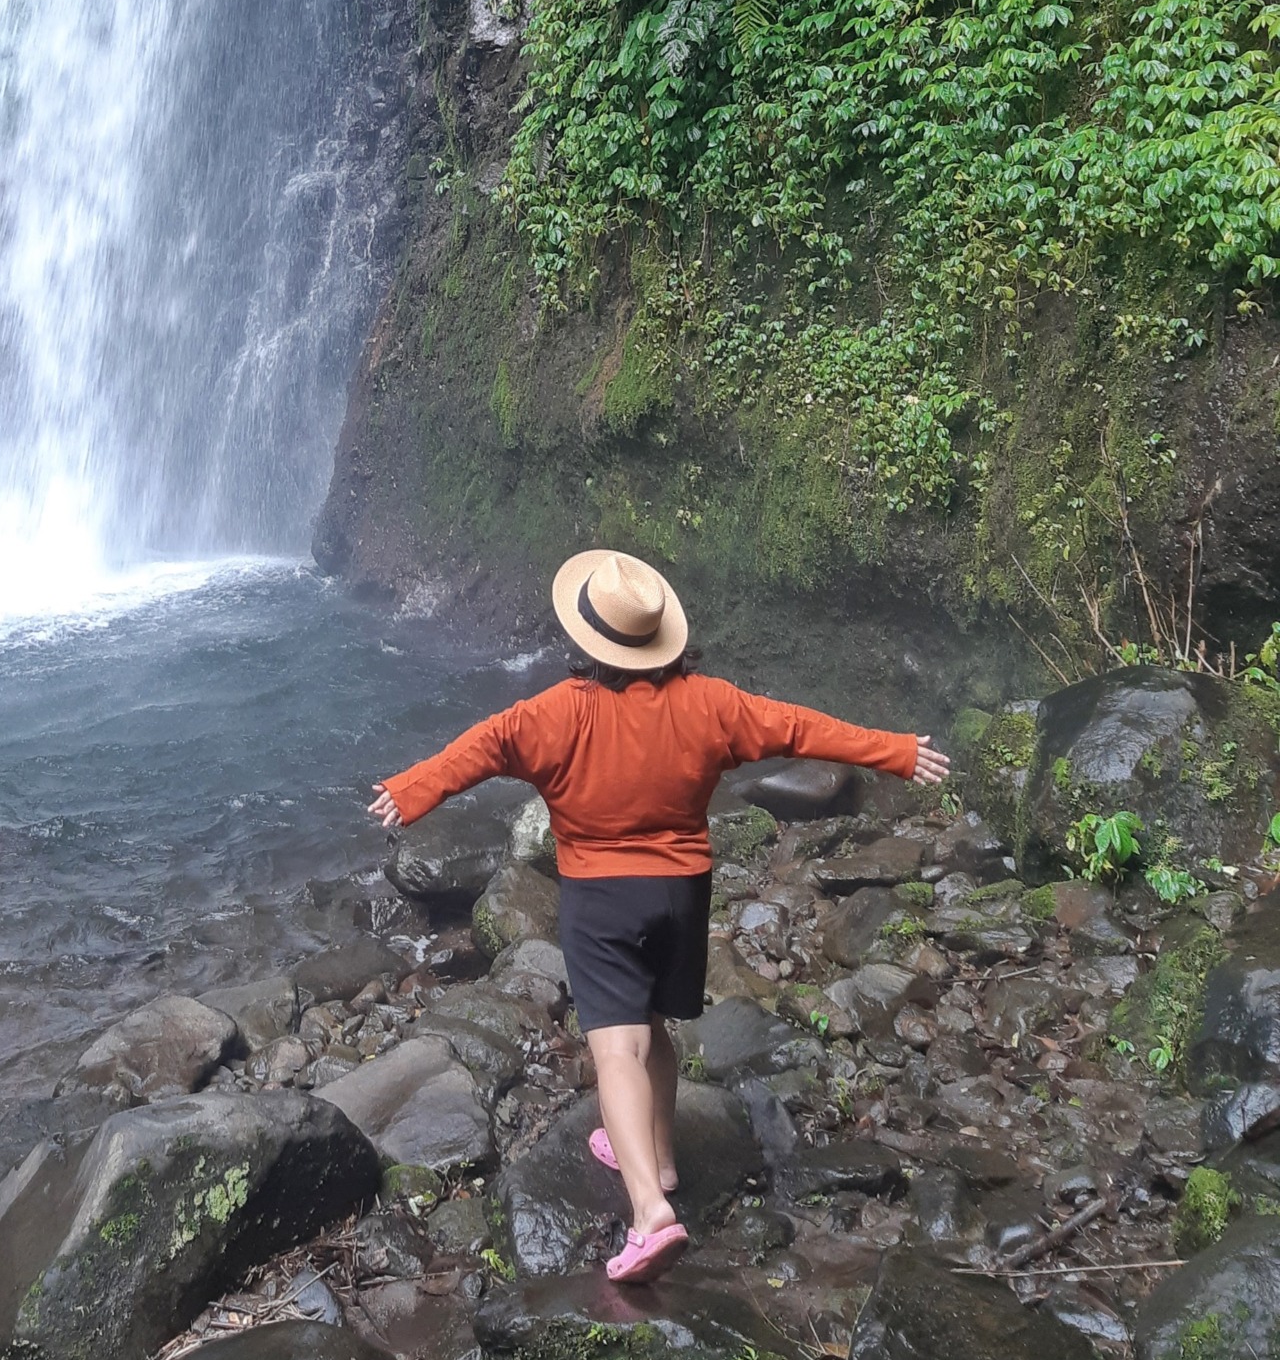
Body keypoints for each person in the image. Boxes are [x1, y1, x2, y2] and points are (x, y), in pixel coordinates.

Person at [367, 548, 950, 1284]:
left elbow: (481, 748)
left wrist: (411, 790)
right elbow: (798, 728)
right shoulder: (711, 704)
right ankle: (662, 1158)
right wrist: (895, 751)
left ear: (588, 641)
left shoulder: (552, 714)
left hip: (602, 898)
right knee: (655, 1028)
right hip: (681, 895)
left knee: (616, 1049)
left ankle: (650, 1212)